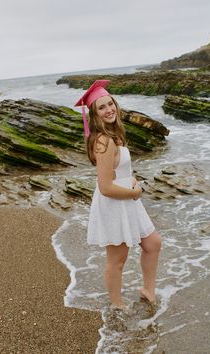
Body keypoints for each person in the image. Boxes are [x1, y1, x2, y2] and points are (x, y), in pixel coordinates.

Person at [74, 80, 161, 310]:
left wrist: (131, 180)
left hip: (128, 197)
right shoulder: (104, 141)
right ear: (94, 114)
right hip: (115, 203)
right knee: (117, 260)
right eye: (101, 107)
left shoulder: (114, 134)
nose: (108, 109)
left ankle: (148, 290)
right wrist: (135, 192)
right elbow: (105, 187)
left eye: (110, 104)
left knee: (153, 244)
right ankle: (117, 304)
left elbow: (117, 172)